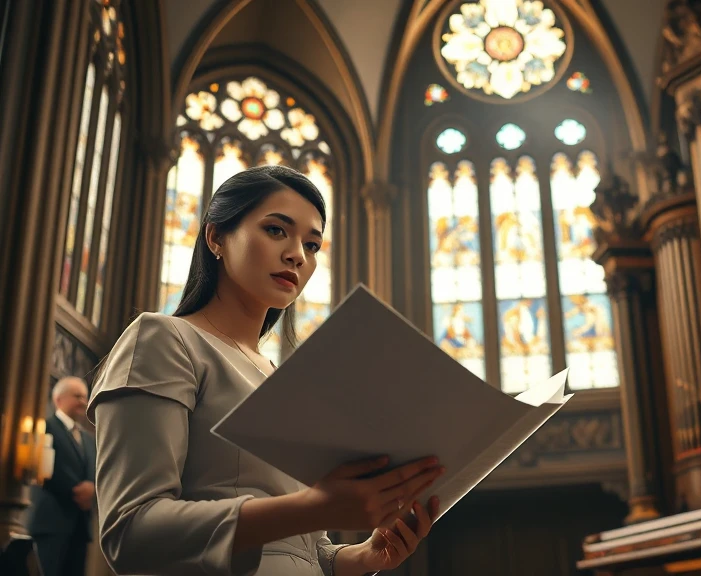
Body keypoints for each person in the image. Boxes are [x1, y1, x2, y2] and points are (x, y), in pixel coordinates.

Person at [87, 165, 446, 575]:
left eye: (312, 245)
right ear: (216, 237)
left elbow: (304, 549)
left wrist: (362, 556)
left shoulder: (281, 379)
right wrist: (313, 508)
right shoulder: (164, 338)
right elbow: (130, 531)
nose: (297, 254)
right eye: (276, 230)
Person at [27, 376, 95, 576]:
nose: (83, 401)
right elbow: (39, 467)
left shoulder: (89, 439)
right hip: (51, 522)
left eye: (85, 397)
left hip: (80, 526)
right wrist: (76, 491)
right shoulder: (45, 427)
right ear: (58, 399)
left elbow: (92, 471)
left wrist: (92, 489)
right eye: (77, 396)